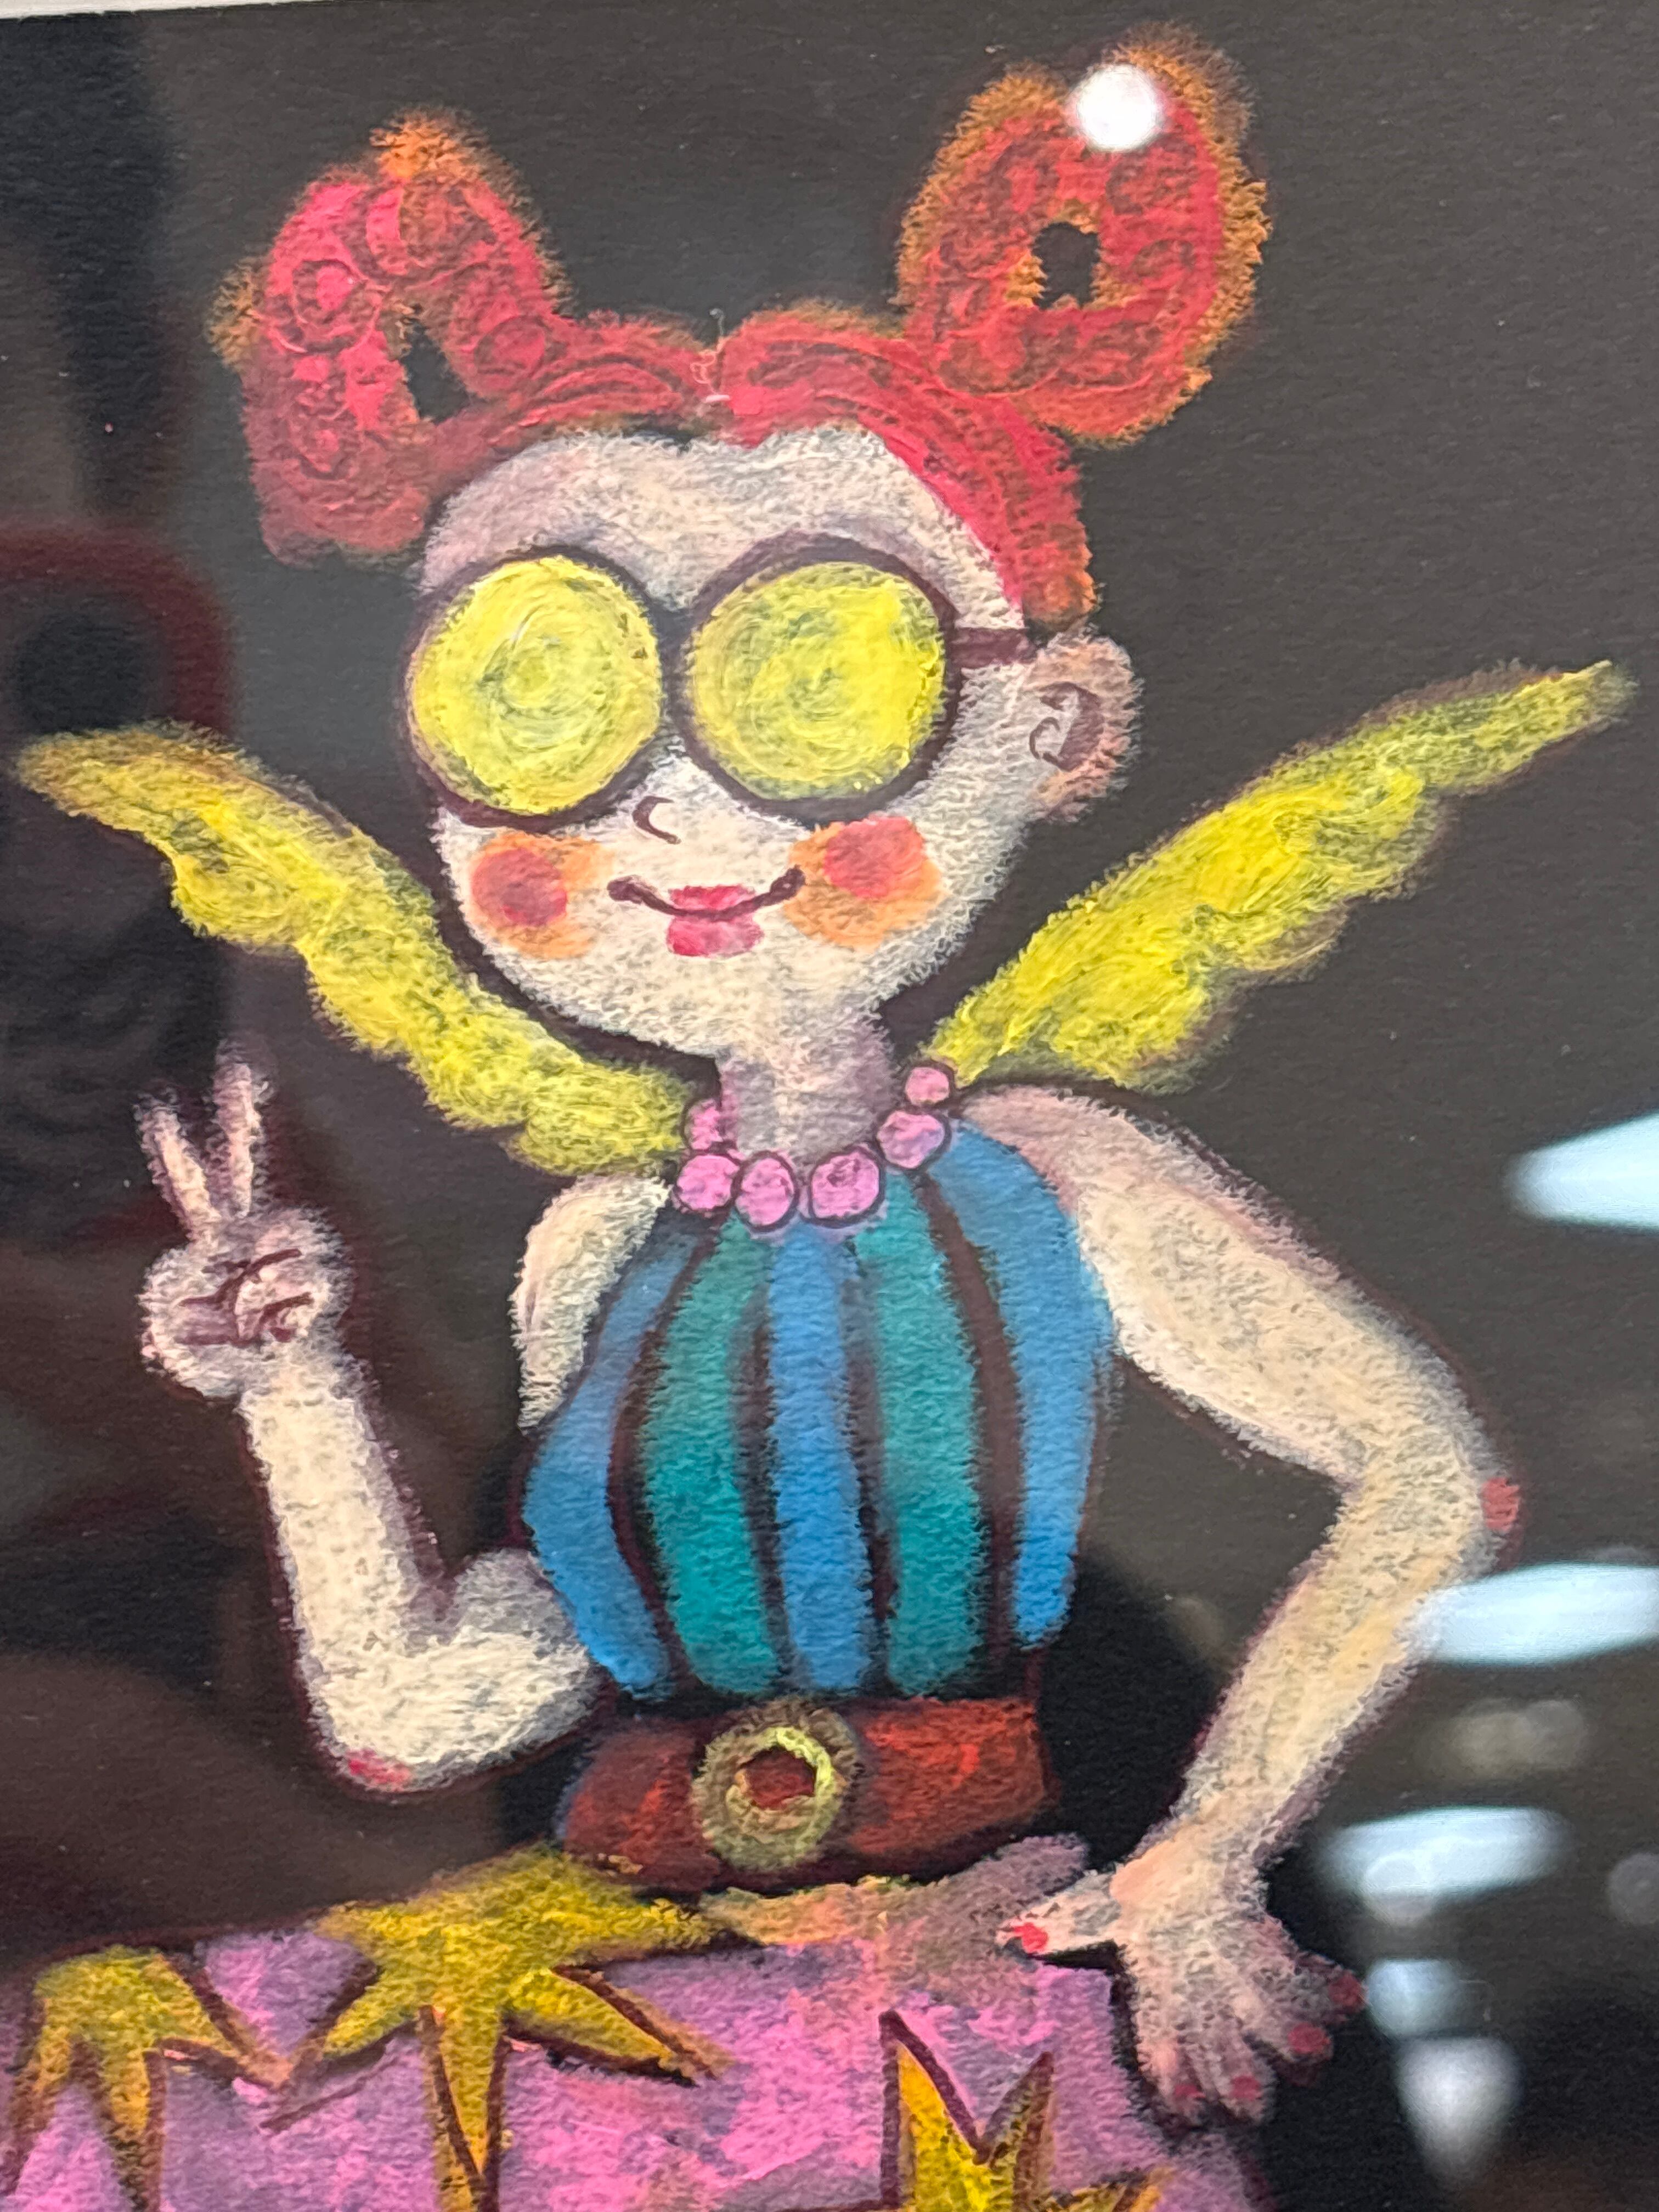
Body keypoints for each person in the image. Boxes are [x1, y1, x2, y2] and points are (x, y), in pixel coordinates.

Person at [10, 34, 1623, 2211]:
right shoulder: (605, 1260)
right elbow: (417, 1696)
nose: (676, 806)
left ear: (1058, 722)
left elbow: (1422, 1475)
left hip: (906, 2002)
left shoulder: (1010, 1224)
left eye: (818, 679)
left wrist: (1202, 1852)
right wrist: (305, 1420)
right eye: (546, 696)